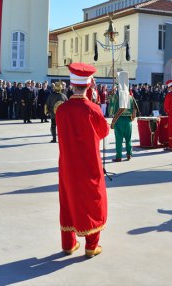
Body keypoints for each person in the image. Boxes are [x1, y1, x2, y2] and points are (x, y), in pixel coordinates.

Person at [57, 63, 109, 258]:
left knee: (68, 199)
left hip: (68, 163)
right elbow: (103, 132)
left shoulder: (61, 110)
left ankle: (69, 244)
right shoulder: (93, 109)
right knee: (93, 200)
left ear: (71, 85)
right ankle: (91, 245)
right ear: (89, 85)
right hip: (89, 163)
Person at [109, 71, 139, 162]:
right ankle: (129, 154)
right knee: (128, 139)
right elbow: (135, 110)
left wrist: (113, 122)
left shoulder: (116, 96)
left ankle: (119, 156)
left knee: (119, 140)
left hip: (119, 120)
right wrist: (131, 118)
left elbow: (111, 110)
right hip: (128, 121)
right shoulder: (131, 97)